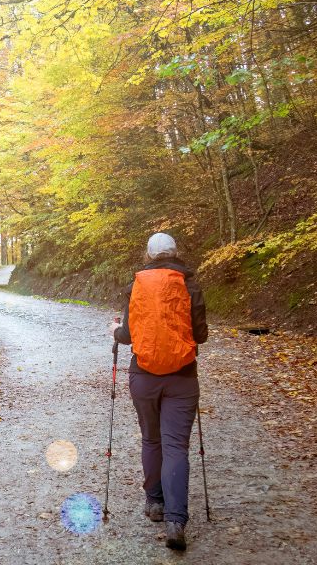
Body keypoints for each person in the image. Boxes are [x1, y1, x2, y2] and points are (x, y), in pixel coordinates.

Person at [110, 232, 207, 551]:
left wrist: (114, 330)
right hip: (182, 377)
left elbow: (126, 335)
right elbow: (201, 335)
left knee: (152, 440)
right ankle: (176, 520)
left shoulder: (136, 285)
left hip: (144, 376)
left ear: (149, 255)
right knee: (176, 446)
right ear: (175, 253)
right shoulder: (189, 284)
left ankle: (155, 503)